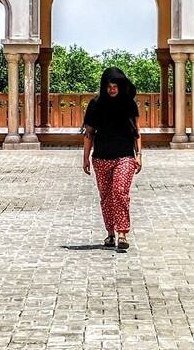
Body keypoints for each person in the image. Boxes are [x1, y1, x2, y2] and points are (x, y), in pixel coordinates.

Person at [82, 67, 143, 250]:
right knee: (106, 196)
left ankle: (122, 233)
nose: (112, 89)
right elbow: (89, 133)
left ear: (121, 86)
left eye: (115, 86)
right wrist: (86, 158)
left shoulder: (129, 104)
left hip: (125, 156)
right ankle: (110, 233)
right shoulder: (96, 104)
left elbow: (136, 131)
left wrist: (139, 155)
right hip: (101, 157)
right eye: (109, 86)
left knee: (120, 192)